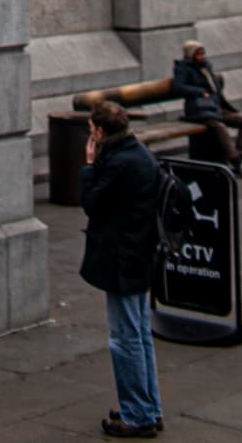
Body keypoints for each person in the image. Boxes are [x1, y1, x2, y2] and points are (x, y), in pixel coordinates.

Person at [80, 99, 164, 439]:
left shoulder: (120, 164)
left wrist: (88, 164)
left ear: (100, 132)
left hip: (123, 261)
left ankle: (137, 415)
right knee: (140, 335)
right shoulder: (136, 154)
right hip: (137, 257)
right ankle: (148, 407)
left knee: (125, 338)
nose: (90, 138)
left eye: (91, 132)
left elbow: (91, 202)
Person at [172, 38, 242, 178]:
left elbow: (216, 90)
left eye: (202, 53)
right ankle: (237, 162)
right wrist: (199, 91)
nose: (201, 57)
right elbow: (178, 87)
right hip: (199, 111)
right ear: (190, 55)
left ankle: (239, 157)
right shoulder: (183, 68)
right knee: (219, 127)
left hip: (214, 107)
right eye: (198, 54)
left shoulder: (206, 67)